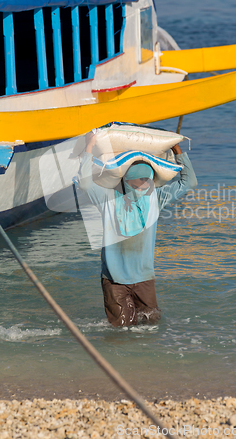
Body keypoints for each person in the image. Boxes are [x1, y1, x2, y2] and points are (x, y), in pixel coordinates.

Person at [78, 131, 197, 327]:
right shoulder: (108, 199)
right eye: (139, 182)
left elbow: (189, 182)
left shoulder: (156, 198)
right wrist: (89, 147)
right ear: (127, 181)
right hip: (114, 282)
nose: (144, 187)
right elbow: (84, 183)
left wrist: (177, 149)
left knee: (151, 329)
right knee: (120, 333)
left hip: (144, 279)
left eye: (148, 181)